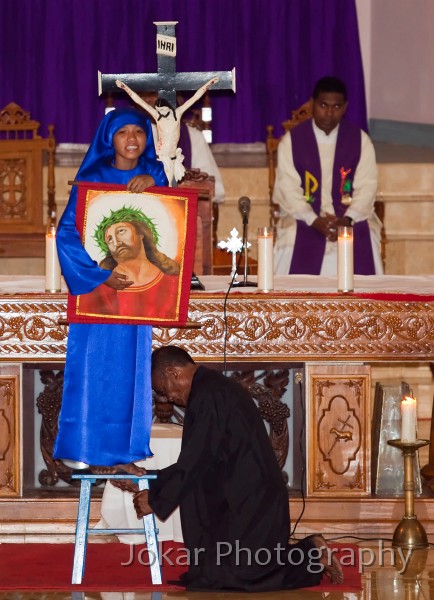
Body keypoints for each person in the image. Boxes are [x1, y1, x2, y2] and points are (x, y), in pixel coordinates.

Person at [125, 345, 344, 591]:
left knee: (244, 577)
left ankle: (311, 553)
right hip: (236, 501)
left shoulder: (209, 394)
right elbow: (203, 460)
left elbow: (195, 461)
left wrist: (155, 498)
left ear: (173, 372)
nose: (168, 398)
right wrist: (149, 479)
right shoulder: (209, 389)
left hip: (254, 502)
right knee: (212, 576)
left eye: (164, 390)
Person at [53, 107, 168, 470]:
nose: (132, 139)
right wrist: (98, 275)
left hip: (137, 296)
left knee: (130, 373)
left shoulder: (156, 174)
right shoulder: (94, 175)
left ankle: (124, 453)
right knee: (91, 368)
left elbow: (171, 221)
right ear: (109, 139)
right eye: (123, 133)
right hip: (99, 293)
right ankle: (83, 449)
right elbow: (68, 233)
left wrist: (157, 188)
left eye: (138, 131)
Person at [273, 76, 383, 276]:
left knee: (367, 240)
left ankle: (361, 307)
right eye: (323, 105)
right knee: (290, 239)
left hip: (349, 219)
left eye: (336, 106)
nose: (329, 113)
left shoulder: (360, 141)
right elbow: (287, 187)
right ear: (313, 104)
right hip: (304, 218)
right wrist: (314, 220)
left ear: (345, 107)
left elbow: (367, 186)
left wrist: (348, 219)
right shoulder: (292, 141)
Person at [78, 207, 181, 320]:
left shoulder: (172, 283)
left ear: (141, 233)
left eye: (121, 231)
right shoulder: (100, 287)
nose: (117, 243)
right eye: (110, 239)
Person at [116, 77, 219, 186]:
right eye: (143, 94)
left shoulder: (193, 136)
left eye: (153, 94)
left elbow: (213, 186)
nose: (148, 99)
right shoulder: (126, 136)